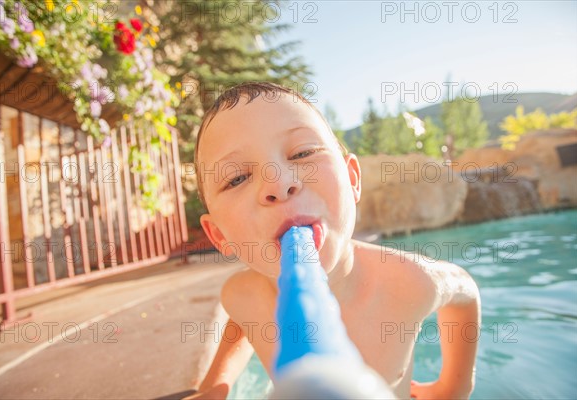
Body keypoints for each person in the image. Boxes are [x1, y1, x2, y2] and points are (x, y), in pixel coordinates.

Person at [186, 82, 481, 399]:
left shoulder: (409, 282)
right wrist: (215, 384)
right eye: (237, 178)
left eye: (302, 153)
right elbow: (245, 320)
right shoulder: (241, 294)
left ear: (353, 180)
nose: (279, 183)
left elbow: (465, 292)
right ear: (219, 236)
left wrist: (455, 385)